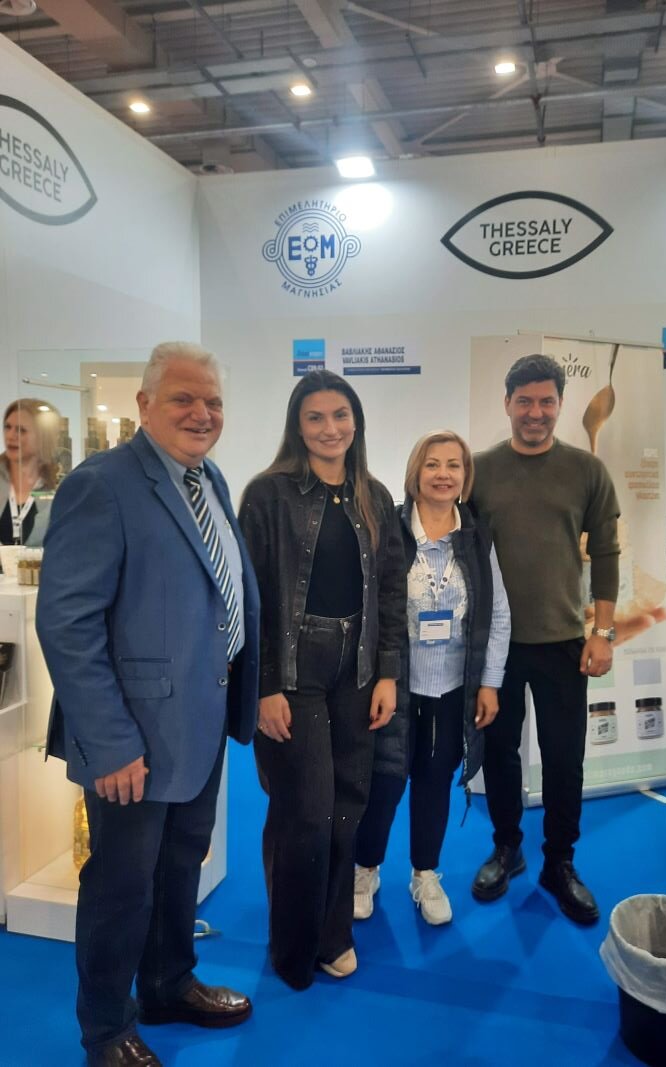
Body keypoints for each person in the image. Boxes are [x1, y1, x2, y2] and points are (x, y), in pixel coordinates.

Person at [36, 343, 260, 1067]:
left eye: (213, 401)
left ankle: (167, 984)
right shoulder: (101, 484)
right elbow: (67, 623)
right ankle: (106, 1030)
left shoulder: (208, 477)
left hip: (200, 720)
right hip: (132, 736)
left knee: (180, 864)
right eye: (183, 399)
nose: (202, 414)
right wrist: (110, 743)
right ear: (144, 404)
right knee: (121, 887)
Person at [238, 369, 406, 991]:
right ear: (297, 425)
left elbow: (390, 593)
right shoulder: (268, 494)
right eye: (315, 417)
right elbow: (250, 597)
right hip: (293, 672)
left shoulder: (374, 495)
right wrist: (262, 685)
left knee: (345, 810)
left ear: (356, 422)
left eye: (340, 415)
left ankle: (334, 934)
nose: (330, 428)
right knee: (304, 810)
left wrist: (388, 673)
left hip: (357, 670)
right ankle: (293, 946)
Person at [470, 354, 620, 926]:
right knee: (499, 753)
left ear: (560, 404)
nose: (536, 412)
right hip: (496, 646)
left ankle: (560, 861)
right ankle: (506, 847)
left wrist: (602, 632)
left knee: (564, 757)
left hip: (563, 642)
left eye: (547, 402)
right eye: (525, 401)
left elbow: (606, 554)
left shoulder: (587, 471)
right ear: (507, 404)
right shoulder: (478, 471)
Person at [353, 430, 511, 925]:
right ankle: (365, 868)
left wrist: (490, 682)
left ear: (466, 476)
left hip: (451, 690)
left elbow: (498, 614)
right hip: (392, 687)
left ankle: (425, 873)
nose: (443, 474)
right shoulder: (389, 530)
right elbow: (370, 609)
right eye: (432, 464)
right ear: (415, 474)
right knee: (382, 783)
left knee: (434, 784)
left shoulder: (477, 537)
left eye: (453, 465)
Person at [0, 397, 61, 547]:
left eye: (21, 430)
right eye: (8, 427)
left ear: (43, 437)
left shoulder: (59, 488)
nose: (10, 436)